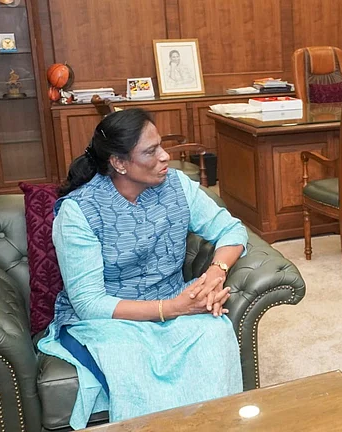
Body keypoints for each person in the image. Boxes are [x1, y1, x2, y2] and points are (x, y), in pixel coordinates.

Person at [38, 109, 248, 429]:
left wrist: (214, 273)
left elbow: (231, 230)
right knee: (129, 357)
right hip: (112, 317)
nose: (165, 157)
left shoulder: (177, 185)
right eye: (151, 151)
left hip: (173, 296)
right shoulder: (79, 212)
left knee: (215, 333)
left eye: (161, 145)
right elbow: (89, 302)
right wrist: (172, 308)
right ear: (119, 163)